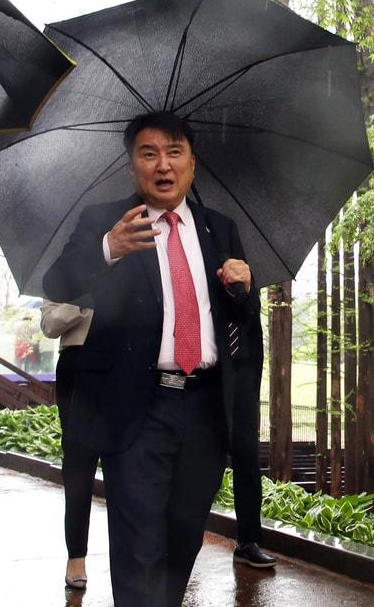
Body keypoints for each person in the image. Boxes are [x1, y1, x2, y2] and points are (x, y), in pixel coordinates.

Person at [44, 110, 259, 607]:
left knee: (183, 541)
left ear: (191, 164)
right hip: (137, 406)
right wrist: (109, 248)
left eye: (174, 152)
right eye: (148, 153)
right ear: (133, 165)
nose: (162, 164)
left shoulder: (218, 229)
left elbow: (241, 320)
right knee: (138, 546)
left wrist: (242, 289)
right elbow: (57, 284)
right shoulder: (107, 220)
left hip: (205, 408)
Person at [39, 299, 97, 589]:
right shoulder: (70, 265)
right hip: (77, 364)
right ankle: (77, 555)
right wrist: (85, 298)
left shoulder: (138, 256)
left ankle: (134, 557)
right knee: (78, 465)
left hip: (130, 360)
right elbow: (49, 325)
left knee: (129, 465)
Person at [230, 298, 276, 569]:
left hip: (243, 373)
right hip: (208, 372)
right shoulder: (203, 266)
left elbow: (251, 320)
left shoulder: (249, 271)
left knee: (247, 459)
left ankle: (247, 541)